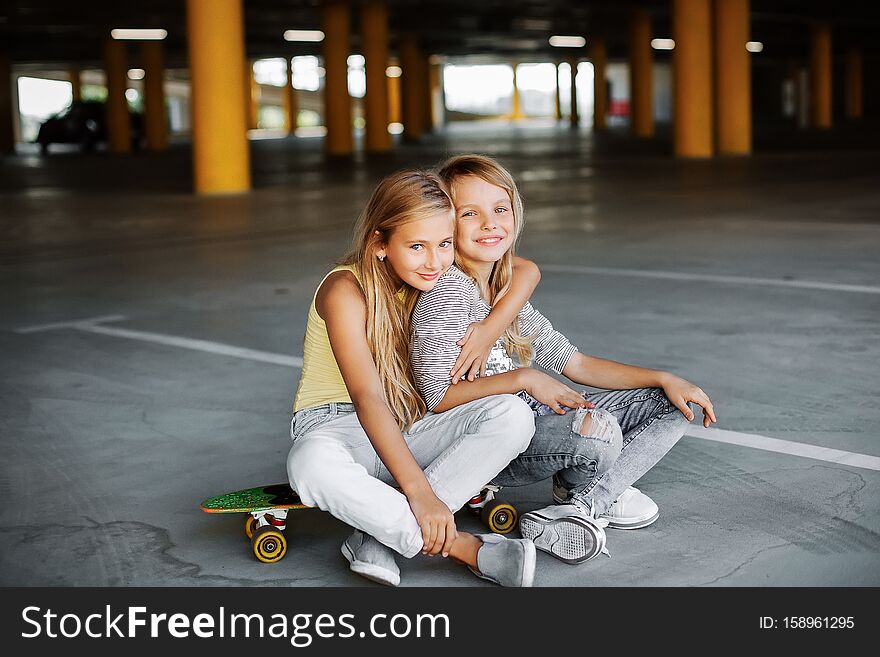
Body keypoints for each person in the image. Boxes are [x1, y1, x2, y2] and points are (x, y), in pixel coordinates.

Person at [409, 154, 717, 564]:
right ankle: (593, 497)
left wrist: (663, 377)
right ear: (446, 224)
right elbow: (436, 400)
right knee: (600, 431)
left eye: (500, 209)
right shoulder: (446, 295)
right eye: (470, 213)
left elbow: (576, 364)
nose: (490, 223)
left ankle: (579, 505)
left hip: (535, 416)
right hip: (493, 438)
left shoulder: (504, 292)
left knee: (675, 403)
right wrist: (524, 379)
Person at [286, 169, 540, 587]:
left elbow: (524, 269)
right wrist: (421, 495)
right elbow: (367, 396)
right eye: (417, 246)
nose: (435, 261)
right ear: (380, 243)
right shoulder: (344, 290)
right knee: (309, 464)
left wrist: (503, 345)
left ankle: (377, 535)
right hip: (337, 426)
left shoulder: (436, 278)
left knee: (511, 415)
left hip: (408, 425)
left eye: (443, 244)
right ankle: (463, 547)